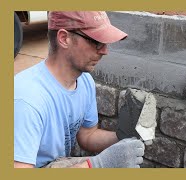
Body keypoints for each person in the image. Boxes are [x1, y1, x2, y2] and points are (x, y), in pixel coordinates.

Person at [14, 11, 145, 168]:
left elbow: (87, 136)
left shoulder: (84, 81)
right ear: (64, 38)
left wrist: (123, 135)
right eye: (96, 41)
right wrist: (96, 165)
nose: (105, 51)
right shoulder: (27, 100)